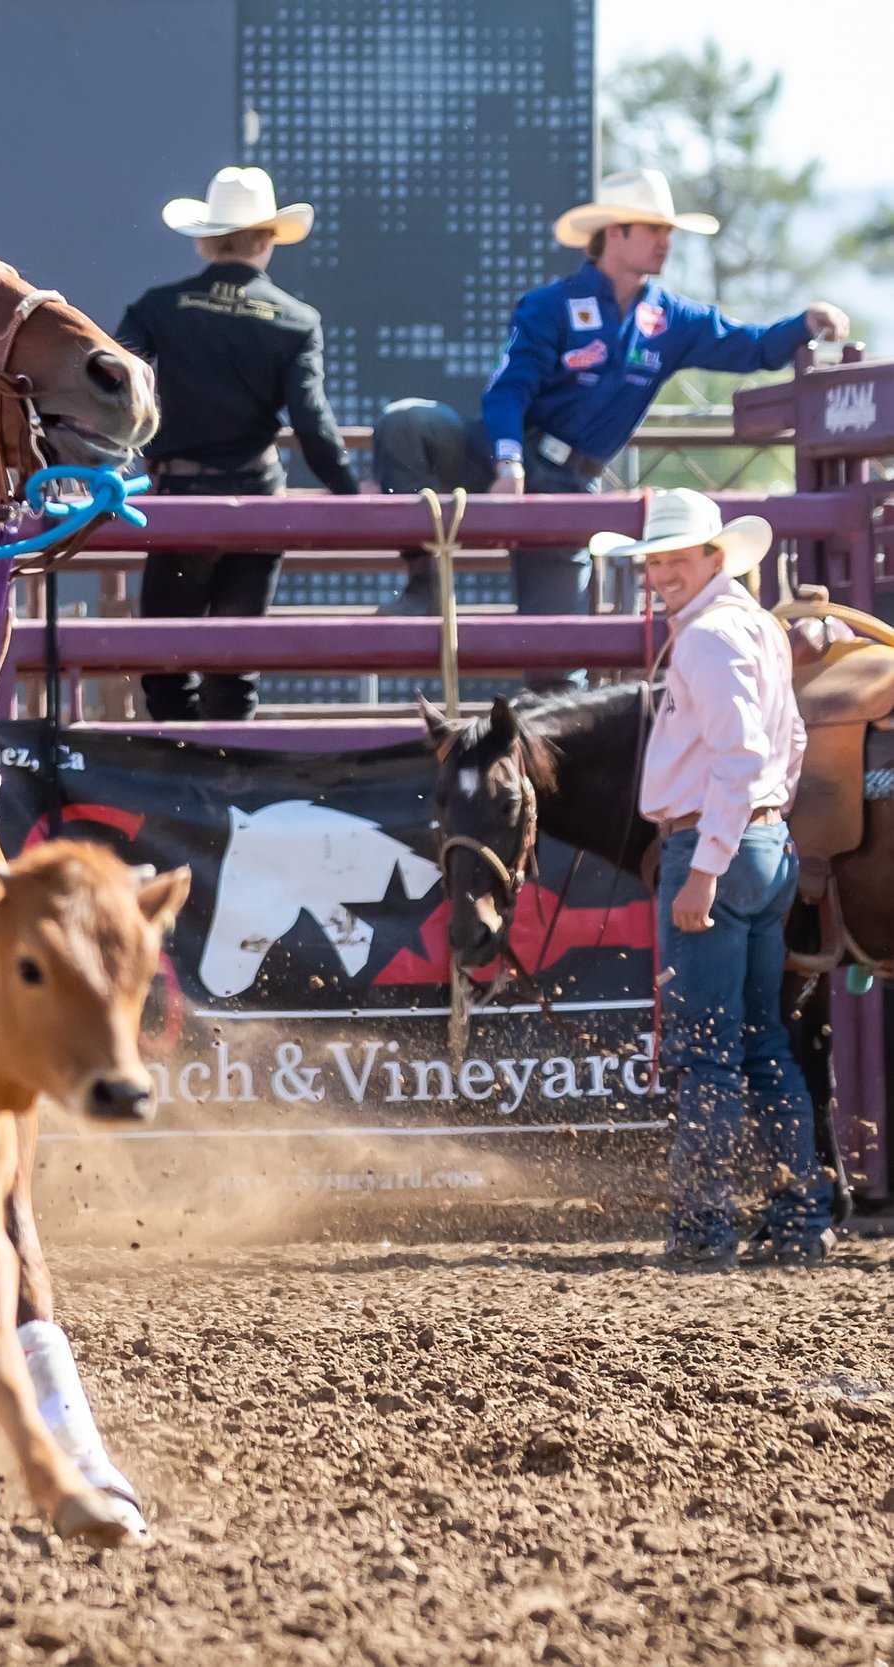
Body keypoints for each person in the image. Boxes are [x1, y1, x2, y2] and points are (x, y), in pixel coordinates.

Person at [373, 169, 848, 635]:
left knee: (555, 648)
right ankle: (425, 585)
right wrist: (507, 461)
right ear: (613, 233)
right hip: (500, 455)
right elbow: (508, 389)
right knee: (407, 424)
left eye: (668, 230)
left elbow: (752, 346)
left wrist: (804, 323)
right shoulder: (548, 305)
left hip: (569, 485)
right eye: (654, 229)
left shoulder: (673, 317)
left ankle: (543, 699)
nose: (666, 241)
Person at [587, 488, 832, 1271]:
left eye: (673, 559)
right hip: (763, 847)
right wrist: (762, 824)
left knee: (705, 1052)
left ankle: (703, 1229)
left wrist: (707, 865)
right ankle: (799, 1220)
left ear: (713, 558)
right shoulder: (755, 626)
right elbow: (784, 740)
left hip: (715, 848)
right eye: (653, 560)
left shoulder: (701, 640)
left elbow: (741, 757)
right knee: (762, 1041)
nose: (660, 573)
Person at [115, 168, 364, 723]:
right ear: (268, 240)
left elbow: (111, 376)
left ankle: (177, 786)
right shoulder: (297, 321)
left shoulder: (160, 306)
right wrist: (351, 491)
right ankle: (231, 787)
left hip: (182, 500)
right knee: (235, 665)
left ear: (205, 239)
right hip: (256, 502)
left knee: (166, 661)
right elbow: (311, 420)